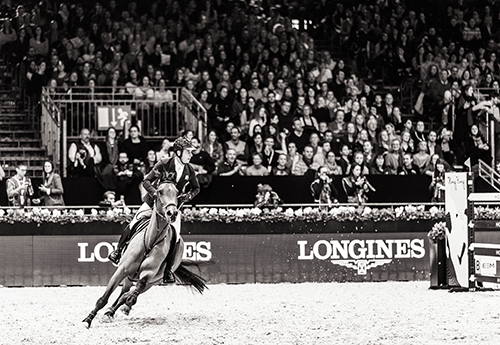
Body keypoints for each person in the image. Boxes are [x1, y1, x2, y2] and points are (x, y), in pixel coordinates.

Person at [108, 137, 200, 284]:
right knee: (134, 223)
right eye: (188, 152)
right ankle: (118, 251)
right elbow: (146, 181)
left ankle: (168, 270)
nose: (191, 155)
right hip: (153, 204)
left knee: (175, 238)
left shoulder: (189, 169)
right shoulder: (164, 164)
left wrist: (185, 197)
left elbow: (196, 188)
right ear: (178, 152)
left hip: (173, 209)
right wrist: (155, 194)